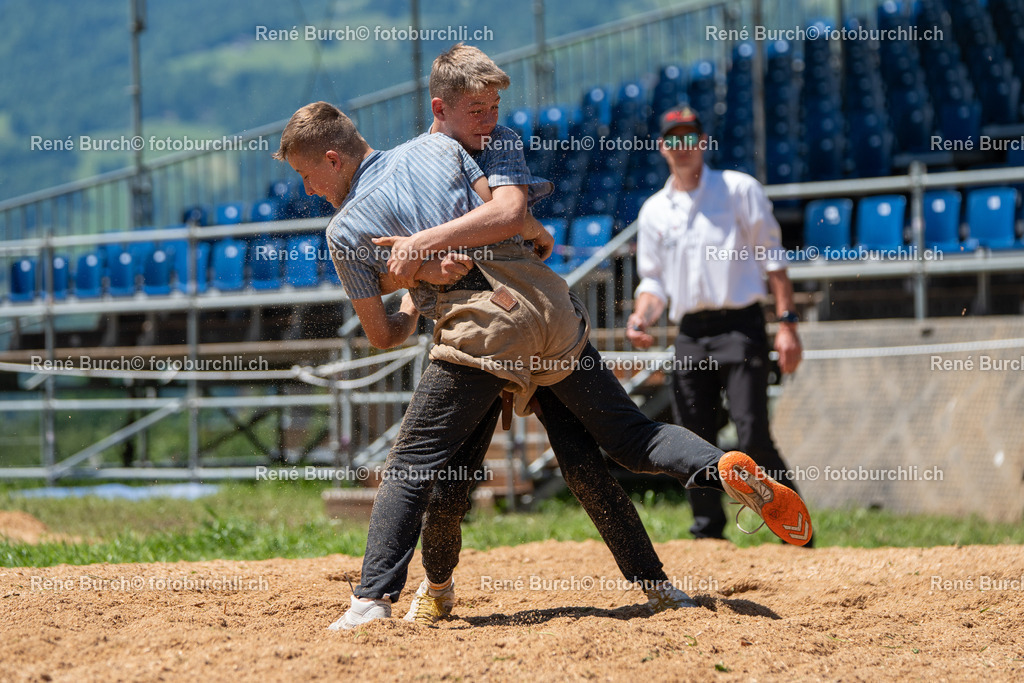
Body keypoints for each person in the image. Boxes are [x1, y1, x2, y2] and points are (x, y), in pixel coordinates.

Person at [272, 100, 813, 631]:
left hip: (481, 336)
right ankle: (703, 498)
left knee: (421, 466)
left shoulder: (344, 232)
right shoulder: (436, 148)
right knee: (622, 444)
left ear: (333, 159)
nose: (308, 190)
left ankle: (385, 597)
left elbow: (381, 335)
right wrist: (518, 238)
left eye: (307, 174)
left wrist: (414, 291)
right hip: (549, 312)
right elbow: (514, 220)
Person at [377, 43, 696, 626]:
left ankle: (655, 584)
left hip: (517, 322)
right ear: (439, 106)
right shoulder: (417, 162)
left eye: (495, 105)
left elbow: (505, 214)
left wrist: (499, 229)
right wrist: (415, 281)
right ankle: (439, 587)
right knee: (454, 485)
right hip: (471, 325)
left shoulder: (499, 143)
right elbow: (443, 233)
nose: (490, 119)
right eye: (477, 108)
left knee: (585, 469)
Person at [626, 105, 811, 545]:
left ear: (703, 142)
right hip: (690, 332)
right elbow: (653, 282)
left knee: (752, 434)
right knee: (692, 439)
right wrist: (641, 315)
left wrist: (787, 325)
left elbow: (774, 260)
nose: (683, 146)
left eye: (691, 136)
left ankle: (795, 529)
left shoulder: (739, 189)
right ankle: (708, 534)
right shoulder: (653, 210)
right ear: (662, 146)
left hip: (740, 325)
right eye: (674, 138)